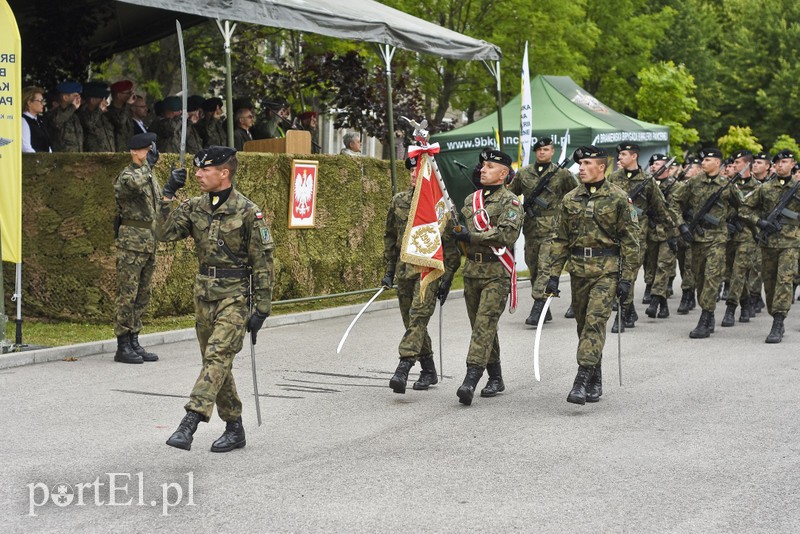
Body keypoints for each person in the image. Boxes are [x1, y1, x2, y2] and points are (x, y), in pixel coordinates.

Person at [157, 146, 274, 452]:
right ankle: (235, 428)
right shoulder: (194, 206)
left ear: (224, 173)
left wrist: (262, 307)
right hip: (204, 296)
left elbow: (263, 261)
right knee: (217, 365)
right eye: (197, 169)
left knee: (217, 358)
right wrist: (167, 195)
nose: (197, 174)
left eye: (205, 170)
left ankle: (190, 423)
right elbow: (163, 232)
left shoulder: (248, 211)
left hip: (235, 296)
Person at [546, 145, 639, 405]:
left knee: (594, 322)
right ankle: (595, 376)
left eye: (587, 163)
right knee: (582, 325)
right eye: (580, 164)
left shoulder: (619, 198)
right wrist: (553, 275)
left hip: (606, 271)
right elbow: (560, 239)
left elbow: (631, 242)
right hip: (578, 271)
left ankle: (581, 379)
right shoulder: (570, 198)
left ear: (602, 167)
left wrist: (626, 279)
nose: (581, 168)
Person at [383, 157, 460, 394]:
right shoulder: (399, 201)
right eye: (412, 170)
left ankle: (404, 366)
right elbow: (390, 238)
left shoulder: (442, 205)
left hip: (429, 271)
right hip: (405, 271)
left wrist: (448, 278)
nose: (414, 174)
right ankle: (429, 369)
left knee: (418, 317)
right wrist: (388, 271)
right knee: (411, 321)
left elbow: (451, 246)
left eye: (419, 170)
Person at [451, 150, 522, 406]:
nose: (483, 169)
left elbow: (506, 236)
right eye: (483, 165)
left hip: (496, 273)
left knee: (483, 325)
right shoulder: (471, 200)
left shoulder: (511, 202)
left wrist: (472, 237)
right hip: (471, 272)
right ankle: (496, 376)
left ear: (503, 173)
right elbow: (458, 232)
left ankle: (470, 379)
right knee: (481, 327)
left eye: (490, 166)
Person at [672, 147, 743, 338]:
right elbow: (674, 202)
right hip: (696, 238)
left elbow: (742, 208)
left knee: (712, 277)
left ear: (718, 163)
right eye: (702, 160)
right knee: (700, 278)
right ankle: (708, 312)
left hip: (718, 239)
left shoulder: (727, 186)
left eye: (708, 160)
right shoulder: (693, 182)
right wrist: (682, 225)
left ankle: (705, 318)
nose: (703, 163)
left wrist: (731, 221)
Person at [607, 143, 675, 332]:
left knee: (628, 275)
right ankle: (629, 310)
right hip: (613, 236)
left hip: (636, 238)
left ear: (634, 156)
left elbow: (661, 209)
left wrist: (673, 234)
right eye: (619, 154)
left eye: (623, 154)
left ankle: (621, 314)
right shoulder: (612, 179)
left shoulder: (648, 180)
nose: (619, 157)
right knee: (615, 275)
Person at [509, 137, 576, 326]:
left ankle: (538, 306)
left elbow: (577, 194)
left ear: (552, 151)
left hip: (553, 229)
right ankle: (545, 308)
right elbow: (511, 196)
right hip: (531, 229)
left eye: (546, 149)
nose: (542, 152)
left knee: (546, 268)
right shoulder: (523, 173)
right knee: (534, 268)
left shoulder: (562, 174)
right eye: (539, 150)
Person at [739, 149, 800, 343]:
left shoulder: (798, 188)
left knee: (784, 280)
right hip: (768, 244)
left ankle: (779, 321)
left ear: (793, 164)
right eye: (779, 162)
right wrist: (760, 222)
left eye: (786, 162)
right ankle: (775, 313)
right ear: (774, 166)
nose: (782, 165)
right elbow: (744, 209)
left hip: (791, 243)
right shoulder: (765, 189)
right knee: (770, 283)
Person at [112, 132, 162, 364]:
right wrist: (147, 167)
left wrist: (170, 188)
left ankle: (134, 338)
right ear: (135, 151)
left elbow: (157, 204)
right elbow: (132, 186)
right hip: (132, 243)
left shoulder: (149, 175)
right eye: (146, 149)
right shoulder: (128, 175)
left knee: (142, 294)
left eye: (151, 149)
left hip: (148, 241)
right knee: (127, 294)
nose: (150, 153)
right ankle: (122, 344)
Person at [720, 149, 759, 326]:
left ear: (747, 164)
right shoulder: (726, 185)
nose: (733, 166)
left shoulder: (758, 187)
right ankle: (746, 302)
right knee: (730, 274)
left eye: (737, 163)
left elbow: (761, 212)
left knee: (739, 272)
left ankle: (731, 308)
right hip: (728, 235)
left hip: (747, 235)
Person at [79, 81, 115, 152]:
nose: (106, 103)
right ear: (92, 100)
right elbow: (89, 124)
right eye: (103, 100)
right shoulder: (82, 114)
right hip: (92, 159)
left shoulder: (102, 116)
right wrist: (99, 109)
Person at [47, 80, 83, 152]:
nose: (79, 99)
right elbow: (57, 121)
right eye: (75, 96)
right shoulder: (54, 113)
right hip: (62, 160)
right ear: (65, 97)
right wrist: (73, 107)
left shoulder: (74, 116)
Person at [106, 80, 136, 153]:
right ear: (118, 95)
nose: (130, 96)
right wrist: (128, 104)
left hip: (128, 150)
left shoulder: (127, 110)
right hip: (117, 151)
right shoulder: (109, 111)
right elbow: (120, 123)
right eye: (128, 93)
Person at [21, 86, 52, 153]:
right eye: (40, 101)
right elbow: (25, 147)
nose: (43, 104)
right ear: (29, 103)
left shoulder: (39, 121)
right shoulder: (23, 121)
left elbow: (47, 145)